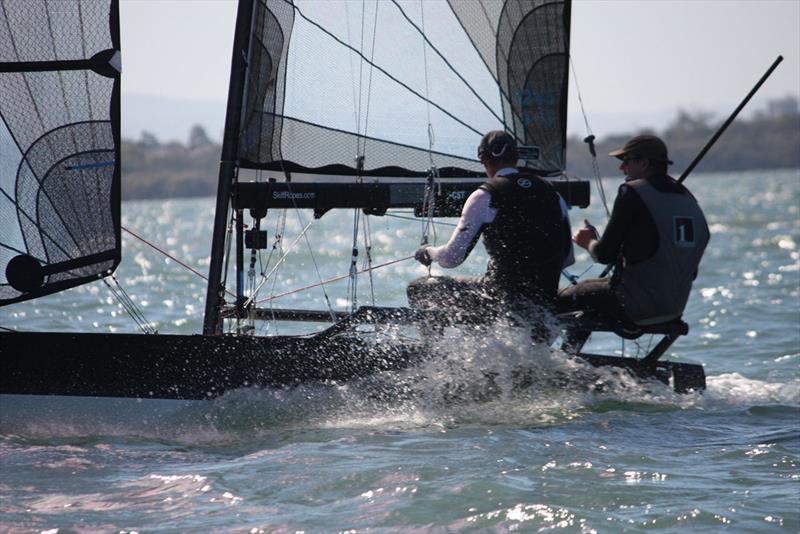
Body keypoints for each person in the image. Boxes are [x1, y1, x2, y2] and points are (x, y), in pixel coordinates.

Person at [407, 130, 574, 319]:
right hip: (544, 303)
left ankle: (434, 348)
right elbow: (568, 258)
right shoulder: (553, 194)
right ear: (517, 157)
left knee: (418, 288)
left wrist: (428, 252)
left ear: (483, 159)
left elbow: (451, 258)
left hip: (501, 303)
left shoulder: (485, 195)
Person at [559, 134, 709, 327]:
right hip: (674, 310)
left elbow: (603, 255)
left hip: (631, 307)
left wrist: (587, 241)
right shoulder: (687, 197)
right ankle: (570, 356)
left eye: (626, 161)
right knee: (586, 288)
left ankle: (542, 355)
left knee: (557, 299)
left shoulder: (632, 191)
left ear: (644, 163)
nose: (622, 168)